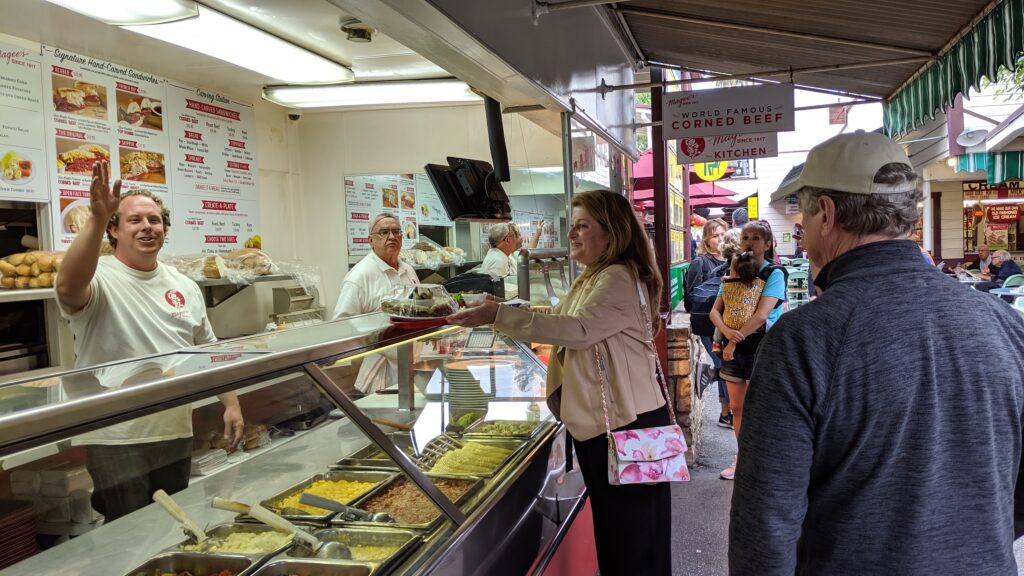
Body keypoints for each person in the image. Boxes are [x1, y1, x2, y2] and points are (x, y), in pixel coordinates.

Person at [729, 131, 1024, 575]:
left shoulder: (803, 341)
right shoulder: (1005, 324)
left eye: (802, 219)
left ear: (826, 213)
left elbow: (765, 528)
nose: (801, 236)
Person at [447, 190, 672, 576]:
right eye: (573, 225)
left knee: (634, 543)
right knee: (624, 538)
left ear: (611, 233)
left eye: (582, 225)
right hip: (613, 425)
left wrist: (498, 315)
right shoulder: (596, 275)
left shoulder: (616, 276)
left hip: (624, 427)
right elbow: (559, 314)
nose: (571, 234)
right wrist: (500, 308)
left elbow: (578, 329)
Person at [54, 161, 243, 522]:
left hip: (174, 429)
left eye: (154, 220)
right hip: (116, 435)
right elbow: (67, 286)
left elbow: (209, 348)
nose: (147, 228)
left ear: (165, 229)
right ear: (114, 230)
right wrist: (95, 217)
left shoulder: (183, 284)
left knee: (173, 527)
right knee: (128, 536)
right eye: (134, 220)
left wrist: (231, 403)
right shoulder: (100, 277)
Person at [710, 221, 785, 481]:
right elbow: (714, 310)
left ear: (767, 244)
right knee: (737, 406)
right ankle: (742, 457)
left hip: (760, 348)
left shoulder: (773, 273)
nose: (749, 242)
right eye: (745, 237)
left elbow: (762, 315)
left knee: (757, 408)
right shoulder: (734, 269)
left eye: (756, 238)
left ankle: (761, 459)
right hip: (734, 349)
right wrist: (725, 331)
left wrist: (732, 341)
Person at [332, 212, 418, 392]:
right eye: (384, 232)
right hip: (382, 373)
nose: (392, 237)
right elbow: (341, 326)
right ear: (370, 240)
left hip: (413, 363)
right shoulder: (359, 276)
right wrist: (376, 336)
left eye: (396, 231)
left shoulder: (408, 270)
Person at [683, 217, 731, 428]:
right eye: (715, 236)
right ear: (706, 239)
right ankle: (726, 413)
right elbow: (692, 296)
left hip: (728, 323)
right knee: (725, 365)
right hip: (708, 325)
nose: (719, 239)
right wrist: (716, 294)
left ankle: (726, 411)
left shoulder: (732, 260)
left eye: (722, 234)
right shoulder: (700, 262)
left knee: (728, 366)